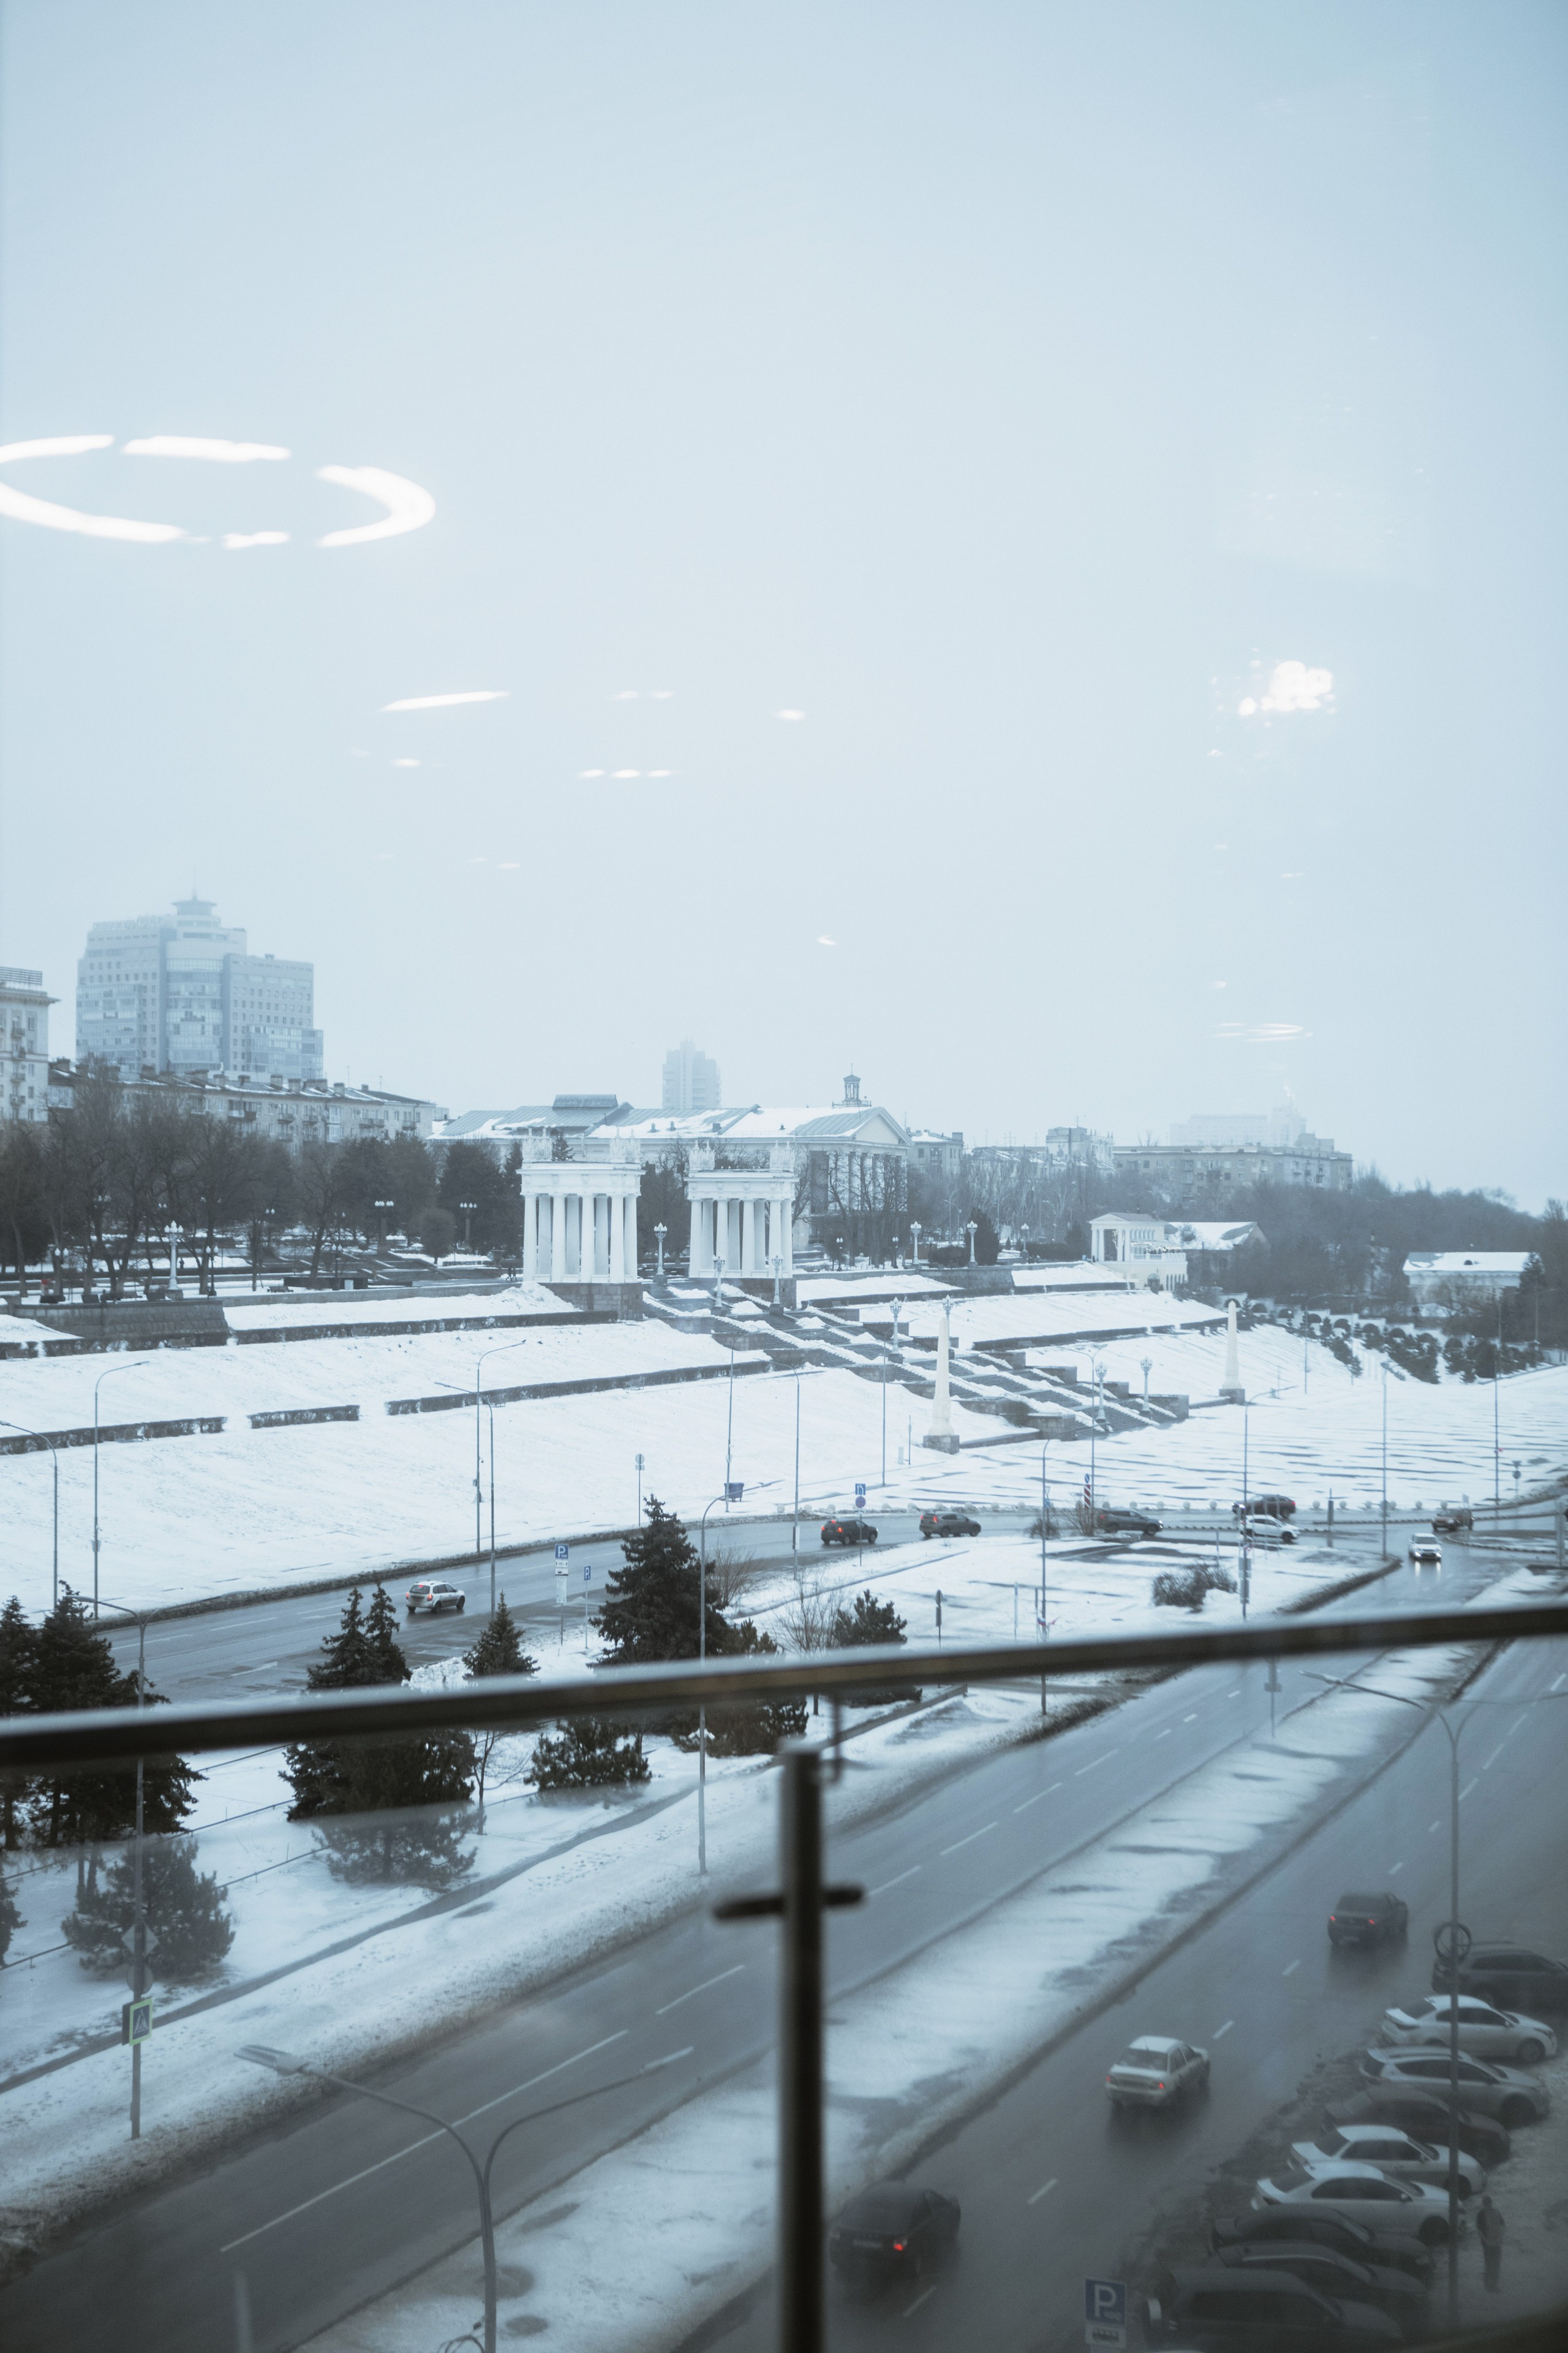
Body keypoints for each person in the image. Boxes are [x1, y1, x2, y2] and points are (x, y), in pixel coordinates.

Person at [1477, 2192, 1506, 2292]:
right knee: (1494, 2264)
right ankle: (1492, 2284)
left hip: (1489, 2244)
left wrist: (1484, 2240)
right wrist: (1500, 2238)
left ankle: (1489, 2283)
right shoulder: (1496, 2213)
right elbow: (1503, 2226)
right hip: (1495, 2243)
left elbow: (1479, 2229)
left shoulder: (1481, 2214)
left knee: (1490, 2264)